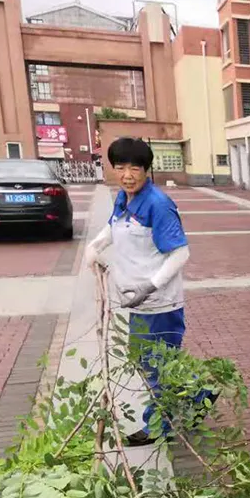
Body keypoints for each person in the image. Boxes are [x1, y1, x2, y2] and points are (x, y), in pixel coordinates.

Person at [83, 136, 196, 447]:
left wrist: (151, 286)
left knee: (156, 367)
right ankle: (200, 396)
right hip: (138, 304)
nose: (127, 174)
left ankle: (160, 425)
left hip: (160, 305)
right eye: (120, 167)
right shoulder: (124, 198)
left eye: (135, 168)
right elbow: (114, 226)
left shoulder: (157, 204)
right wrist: (96, 246)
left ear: (147, 170)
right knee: (152, 363)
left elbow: (180, 254)